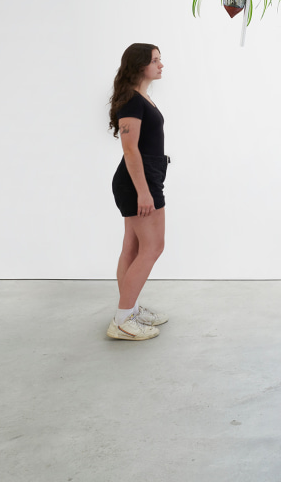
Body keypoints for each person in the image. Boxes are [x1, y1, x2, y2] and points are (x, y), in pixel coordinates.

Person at [106, 43, 170, 340]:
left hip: (145, 175)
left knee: (133, 249)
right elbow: (130, 150)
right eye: (155, 61)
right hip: (138, 179)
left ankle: (128, 311)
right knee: (153, 247)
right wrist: (144, 193)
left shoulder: (142, 97)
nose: (161, 65)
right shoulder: (132, 101)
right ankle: (122, 321)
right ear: (140, 65)